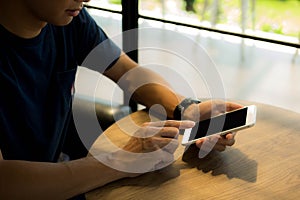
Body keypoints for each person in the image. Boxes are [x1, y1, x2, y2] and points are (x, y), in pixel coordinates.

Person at [0, 0, 243, 199]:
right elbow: (6, 182)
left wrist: (185, 109)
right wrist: (121, 160)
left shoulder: (67, 19)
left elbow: (129, 73)